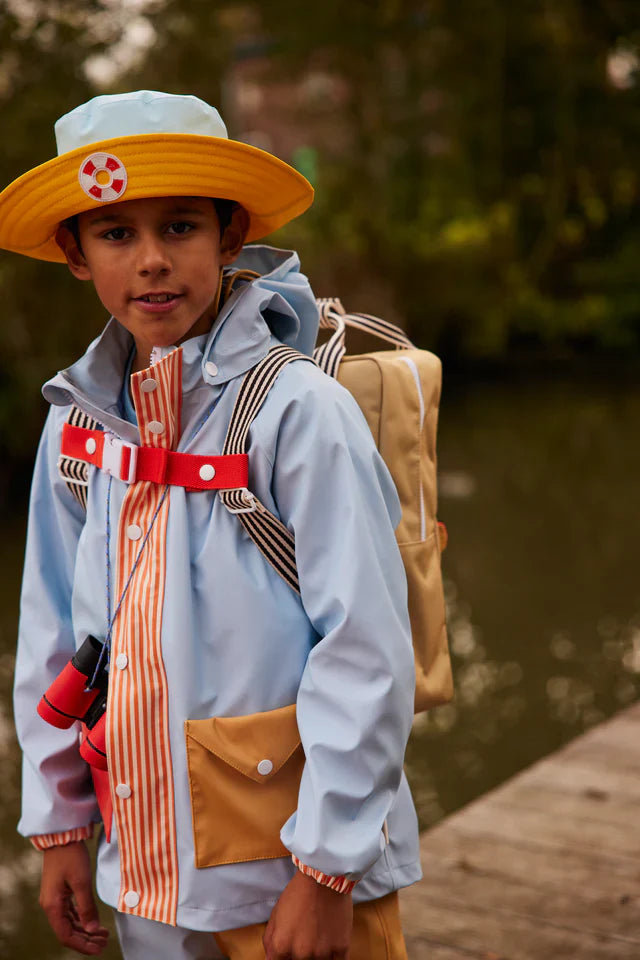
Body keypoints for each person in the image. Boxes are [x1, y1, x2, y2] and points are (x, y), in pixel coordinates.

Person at [5, 90, 421, 960]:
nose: (153, 260)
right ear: (75, 253)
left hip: (296, 868)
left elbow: (368, 649)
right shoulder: (74, 423)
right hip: (148, 871)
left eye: (181, 227)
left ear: (230, 238)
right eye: (116, 233)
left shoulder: (295, 410)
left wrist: (326, 870)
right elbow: (50, 633)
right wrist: (59, 824)